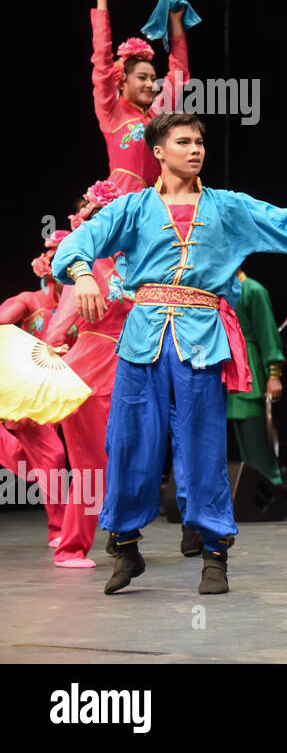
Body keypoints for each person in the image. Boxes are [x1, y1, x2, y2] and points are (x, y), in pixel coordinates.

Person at [52, 111, 287, 595]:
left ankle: (214, 554)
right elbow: (79, 243)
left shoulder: (226, 207)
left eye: (199, 143)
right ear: (158, 152)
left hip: (199, 341)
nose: (195, 150)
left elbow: (280, 218)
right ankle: (125, 547)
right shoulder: (132, 209)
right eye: (184, 142)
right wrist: (83, 272)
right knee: (129, 443)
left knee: (203, 446)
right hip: (142, 341)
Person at [41, 182, 130, 568]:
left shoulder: (132, 263)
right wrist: (51, 346)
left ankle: (122, 538)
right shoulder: (86, 268)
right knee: (92, 465)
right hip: (91, 371)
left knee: (127, 460)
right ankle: (71, 546)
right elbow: (59, 326)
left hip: (132, 368)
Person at [86, 0, 190, 194]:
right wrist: (101, 0)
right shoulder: (112, 112)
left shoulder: (157, 114)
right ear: (121, 81)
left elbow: (179, 75)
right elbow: (102, 61)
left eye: (153, 79)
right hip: (122, 206)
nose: (150, 85)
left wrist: (176, 24)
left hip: (156, 205)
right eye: (142, 78)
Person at [0, 232, 71, 549]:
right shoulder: (30, 300)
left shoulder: (78, 303)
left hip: (64, 392)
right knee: (52, 457)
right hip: (32, 392)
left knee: (37, 462)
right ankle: (59, 530)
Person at [227, 268, 286, 486]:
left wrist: (273, 374)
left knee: (255, 445)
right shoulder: (214, 289)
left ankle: (269, 492)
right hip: (219, 370)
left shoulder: (253, 290)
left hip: (246, 367)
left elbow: (268, 335)